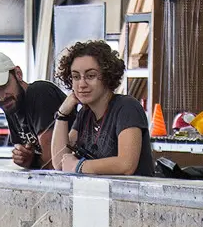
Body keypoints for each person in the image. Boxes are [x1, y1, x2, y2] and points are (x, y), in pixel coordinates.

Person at [50, 40, 153, 177]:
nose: (82, 84)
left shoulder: (126, 107)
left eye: (90, 76)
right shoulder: (85, 114)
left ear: (107, 76)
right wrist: (62, 114)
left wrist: (79, 166)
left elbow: (126, 165)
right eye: (75, 77)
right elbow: (59, 163)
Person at [0, 51, 64, 170]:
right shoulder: (11, 106)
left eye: (3, 86)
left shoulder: (39, 92)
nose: (1, 97)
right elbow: (31, 161)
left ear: (18, 74)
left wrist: (31, 162)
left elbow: (52, 162)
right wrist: (27, 160)